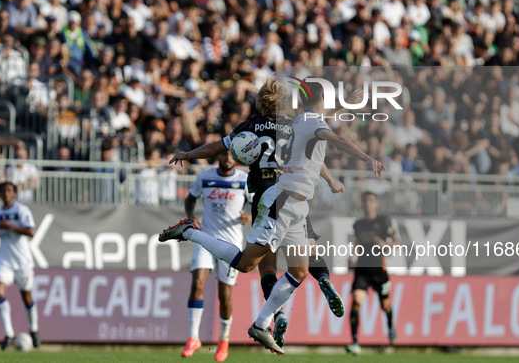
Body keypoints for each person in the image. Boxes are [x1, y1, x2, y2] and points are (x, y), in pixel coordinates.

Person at [160, 78, 385, 354]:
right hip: (283, 196)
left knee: (285, 269)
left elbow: (217, 147)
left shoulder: (250, 127)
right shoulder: (295, 123)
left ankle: (267, 320)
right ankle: (190, 233)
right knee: (252, 263)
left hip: (271, 197)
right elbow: (319, 142)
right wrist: (347, 106)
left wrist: (188, 153)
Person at [181, 151, 251, 362]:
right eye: (224, 154)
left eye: (232, 155)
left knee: (224, 295)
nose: (228, 158)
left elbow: (257, 205)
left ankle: (223, 340)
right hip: (206, 239)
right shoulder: (205, 176)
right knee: (197, 282)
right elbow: (190, 199)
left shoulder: (244, 179)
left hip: (231, 245)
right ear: (218, 156)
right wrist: (191, 217)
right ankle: (193, 337)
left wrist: (249, 215)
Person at [346, 191, 400, 355]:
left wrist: (385, 244)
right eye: (365, 201)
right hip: (362, 269)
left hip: (379, 270)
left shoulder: (384, 221)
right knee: (356, 300)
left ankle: (390, 327)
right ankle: (355, 342)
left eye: (371, 200)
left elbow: (397, 242)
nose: (368, 203)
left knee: (385, 305)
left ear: (376, 204)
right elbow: (358, 242)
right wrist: (352, 255)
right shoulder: (358, 224)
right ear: (361, 204)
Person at [0, 182, 40, 350]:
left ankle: (33, 329)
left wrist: (10, 227)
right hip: (4, 259)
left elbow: (31, 232)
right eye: (2, 191)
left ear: (14, 194)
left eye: (9, 191)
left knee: (27, 297)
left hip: (22, 261)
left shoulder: (21, 211)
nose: (6, 194)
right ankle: (9, 334)